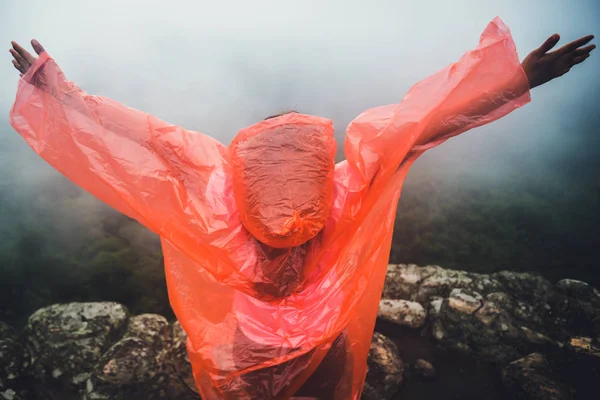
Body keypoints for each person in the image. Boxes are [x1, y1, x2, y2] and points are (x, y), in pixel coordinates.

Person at [8, 17, 594, 400]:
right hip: (324, 341)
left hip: (249, 349)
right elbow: (422, 128)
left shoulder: (220, 201)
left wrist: (64, 95)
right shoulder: (340, 196)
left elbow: (149, 138)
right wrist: (517, 79)